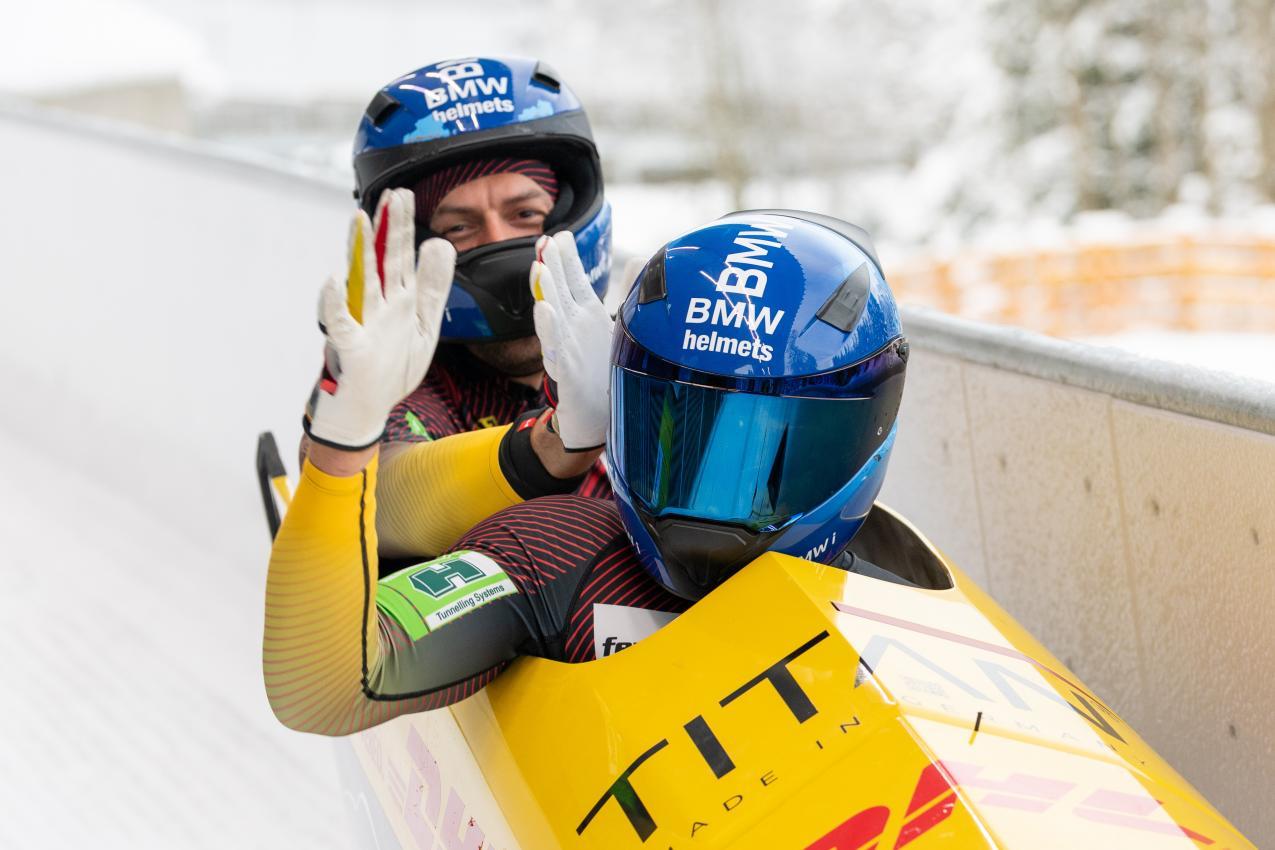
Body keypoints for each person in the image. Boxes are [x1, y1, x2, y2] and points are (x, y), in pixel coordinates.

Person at [264, 209, 908, 736]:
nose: (714, 504)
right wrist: (341, 449)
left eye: (763, 453)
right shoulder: (552, 550)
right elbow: (320, 687)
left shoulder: (901, 599)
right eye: (682, 431)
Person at [306, 56, 616, 564]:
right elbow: (377, 499)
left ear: (567, 213)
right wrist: (557, 445)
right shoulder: (394, 375)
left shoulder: (638, 348)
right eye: (459, 227)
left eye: (525, 215)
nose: (501, 244)